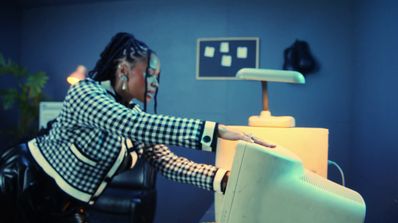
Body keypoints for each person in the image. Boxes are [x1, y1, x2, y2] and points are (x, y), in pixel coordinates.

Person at [0, 32, 275, 223]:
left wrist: (224, 178)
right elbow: (129, 123)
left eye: (158, 77)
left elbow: (168, 163)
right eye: (150, 75)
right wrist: (217, 132)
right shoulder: (85, 93)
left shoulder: (135, 114)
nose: (155, 83)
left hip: (69, 205)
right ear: (123, 70)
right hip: (23, 181)